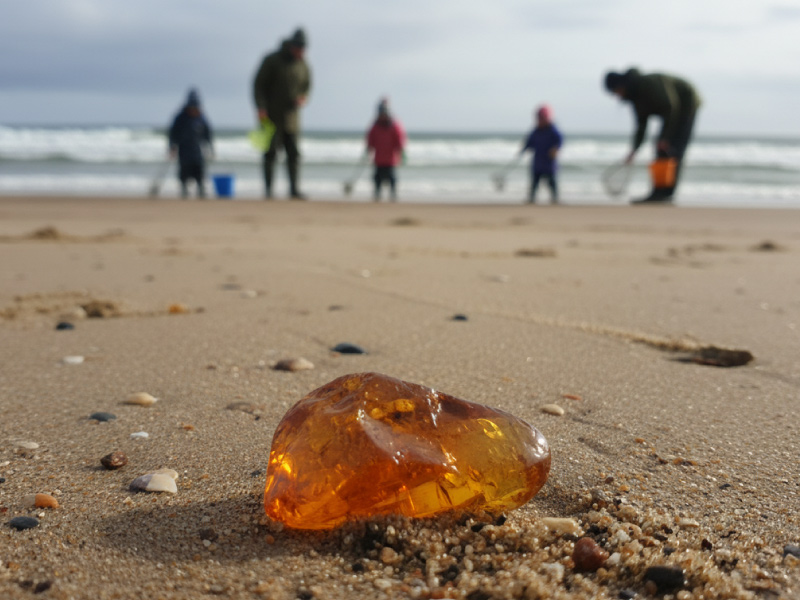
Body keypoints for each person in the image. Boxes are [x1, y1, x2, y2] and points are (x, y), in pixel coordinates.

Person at [604, 67, 702, 204]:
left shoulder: (647, 85)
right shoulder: (635, 98)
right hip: (671, 111)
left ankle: (666, 194)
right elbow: (641, 126)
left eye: (616, 91)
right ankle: (657, 192)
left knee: (673, 149)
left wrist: (665, 137)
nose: (617, 96)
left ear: (621, 85)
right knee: (660, 149)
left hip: (686, 103)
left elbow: (671, 106)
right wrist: (634, 150)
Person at [253, 28, 311, 200]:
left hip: (292, 118)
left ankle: (294, 190)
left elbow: (307, 86)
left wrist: (303, 98)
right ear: (291, 44)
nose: (301, 51)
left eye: (304, 48)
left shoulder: (303, 64)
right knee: (270, 153)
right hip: (270, 116)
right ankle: (268, 190)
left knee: (293, 154)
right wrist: (261, 107)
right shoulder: (272, 60)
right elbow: (258, 85)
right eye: (299, 47)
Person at [168, 89, 213, 199]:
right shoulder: (180, 118)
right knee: (184, 170)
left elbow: (208, 133)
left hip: (197, 149)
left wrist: (211, 147)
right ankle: (184, 190)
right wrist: (172, 147)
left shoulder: (201, 117)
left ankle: (201, 190)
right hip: (183, 149)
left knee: (199, 170)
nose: (193, 109)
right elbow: (173, 133)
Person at [520, 104, 563, 204]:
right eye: (539, 118)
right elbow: (529, 142)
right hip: (538, 162)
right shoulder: (536, 131)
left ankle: (555, 198)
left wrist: (555, 149)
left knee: (552, 182)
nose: (540, 120)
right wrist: (524, 150)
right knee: (534, 182)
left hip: (549, 162)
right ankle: (532, 198)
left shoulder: (553, 130)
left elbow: (560, 140)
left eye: (542, 118)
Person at [365, 98, 406, 201]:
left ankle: (393, 195)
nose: (383, 115)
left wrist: (402, 152)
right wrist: (368, 149)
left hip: (390, 158)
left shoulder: (394, 126)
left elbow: (400, 139)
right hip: (379, 158)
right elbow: (370, 139)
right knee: (377, 178)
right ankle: (377, 195)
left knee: (392, 178)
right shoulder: (375, 126)